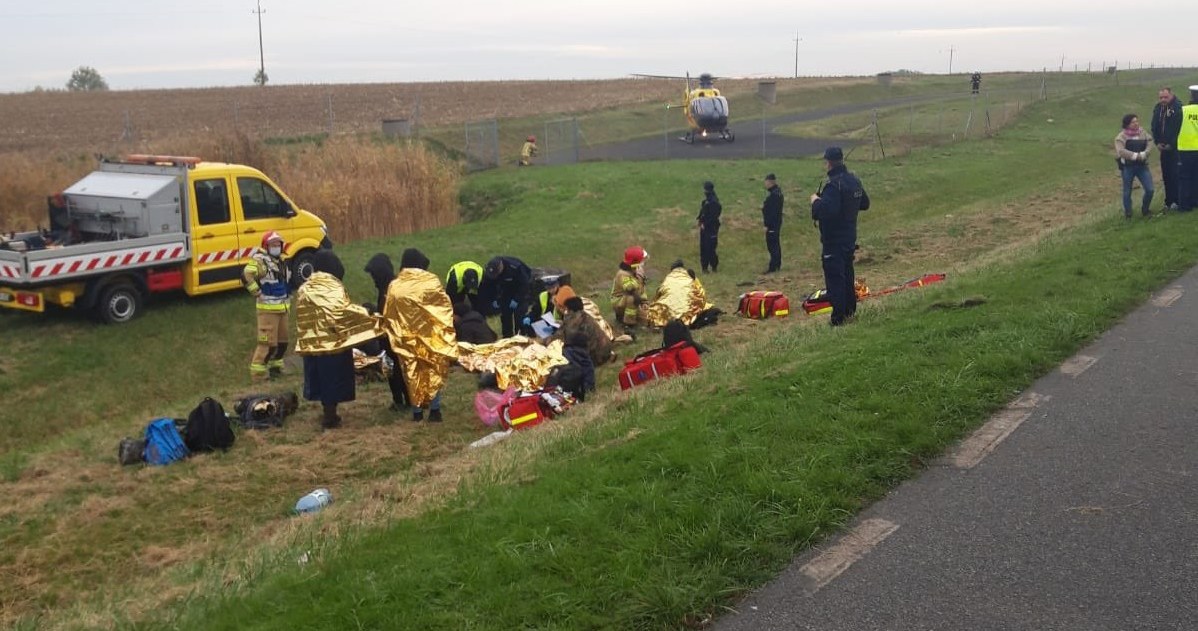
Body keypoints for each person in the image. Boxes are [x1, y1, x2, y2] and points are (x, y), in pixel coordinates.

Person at [295, 250, 380, 430]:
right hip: (333, 344)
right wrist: (367, 315)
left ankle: (328, 411)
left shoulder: (304, 288)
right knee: (332, 379)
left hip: (311, 344)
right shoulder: (333, 288)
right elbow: (341, 313)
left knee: (320, 379)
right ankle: (330, 416)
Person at [810, 146, 870, 327]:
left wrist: (815, 201)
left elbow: (826, 211)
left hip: (833, 240)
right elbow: (864, 203)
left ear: (828, 162)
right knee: (847, 274)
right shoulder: (853, 180)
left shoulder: (833, 186)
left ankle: (838, 318)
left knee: (835, 280)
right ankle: (850, 312)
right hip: (849, 237)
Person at [243, 230, 292, 382]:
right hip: (267, 310)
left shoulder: (281, 261)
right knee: (267, 344)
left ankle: (275, 369)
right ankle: (258, 375)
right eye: (273, 244)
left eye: (278, 244)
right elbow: (246, 274)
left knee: (282, 343)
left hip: (282, 308)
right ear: (266, 246)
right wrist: (256, 292)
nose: (277, 246)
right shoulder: (260, 261)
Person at [552, 295, 616, 366]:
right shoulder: (585, 315)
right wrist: (564, 323)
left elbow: (561, 338)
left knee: (565, 351)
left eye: (567, 309)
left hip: (596, 357)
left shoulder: (574, 321)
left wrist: (545, 340)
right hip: (606, 350)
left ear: (571, 310)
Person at [1114, 113, 1155, 219]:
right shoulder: (1121, 137)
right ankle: (1128, 214)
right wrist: (1135, 156)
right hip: (1128, 167)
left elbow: (1150, 142)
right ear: (1127, 124)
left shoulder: (1143, 133)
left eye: (1137, 121)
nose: (1136, 123)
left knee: (1150, 189)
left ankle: (1145, 210)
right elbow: (1121, 151)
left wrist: (1145, 153)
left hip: (1142, 166)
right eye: (1133, 122)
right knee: (1127, 191)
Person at [483, 255, 533, 338]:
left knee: (519, 316)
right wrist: (495, 299)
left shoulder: (515, 267)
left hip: (520, 291)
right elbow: (492, 285)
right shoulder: (491, 269)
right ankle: (507, 337)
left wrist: (517, 299)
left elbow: (525, 285)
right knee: (505, 316)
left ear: (500, 266)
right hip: (506, 292)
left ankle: (521, 335)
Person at [1151, 87, 1183, 211]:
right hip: (1163, 148)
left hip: (1176, 149)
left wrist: (1172, 144)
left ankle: (1177, 201)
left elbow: (1179, 129)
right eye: (1161, 98)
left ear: (1171, 95)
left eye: (1165, 97)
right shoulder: (1158, 108)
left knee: (1175, 175)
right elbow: (1154, 126)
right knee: (1166, 175)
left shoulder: (1178, 108)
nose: (1163, 100)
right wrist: (1157, 142)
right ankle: (1168, 201)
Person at [611, 245, 649, 338]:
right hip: (620, 301)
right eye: (641, 261)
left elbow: (641, 290)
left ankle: (634, 317)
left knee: (649, 318)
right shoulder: (622, 274)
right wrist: (639, 277)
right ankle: (628, 324)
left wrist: (644, 302)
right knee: (631, 299)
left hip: (633, 300)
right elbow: (630, 289)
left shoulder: (634, 272)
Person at [1178, 86, 1198, 213]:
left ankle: (1185, 205)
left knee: (1185, 177)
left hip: (1185, 148)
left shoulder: (1183, 110)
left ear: (1191, 95)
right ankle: (1196, 201)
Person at [697, 181, 721, 273]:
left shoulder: (714, 202)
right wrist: (700, 220)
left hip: (711, 229)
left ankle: (713, 266)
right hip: (705, 228)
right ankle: (705, 267)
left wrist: (705, 224)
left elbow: (713, 217)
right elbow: (703, 213)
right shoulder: (706, 201)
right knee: (703, 248)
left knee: (710, 248)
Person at [762, 173, 784, 274]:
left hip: (772, 225)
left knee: (772, 245)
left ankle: (773, 266)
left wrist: (767, 225)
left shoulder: (774, 196)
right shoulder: (777, 193)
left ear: (770, 182)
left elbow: (771, 212)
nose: (765, 184)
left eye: (766, 182)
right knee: (775, 244)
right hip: (776, 223)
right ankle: (777, 264)